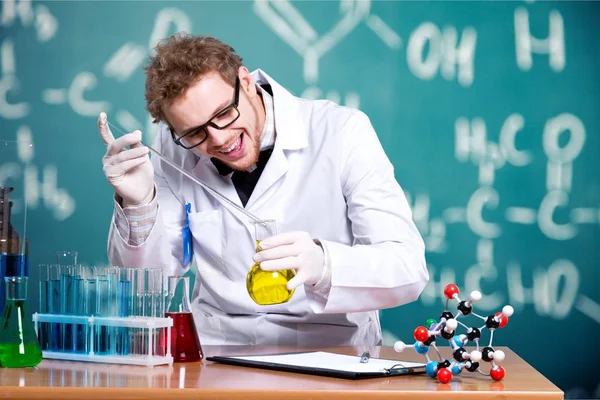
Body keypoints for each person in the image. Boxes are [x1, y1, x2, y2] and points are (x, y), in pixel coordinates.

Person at [98, 33, 429, 346]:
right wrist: (138, 204)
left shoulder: (341, 132)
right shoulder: (173, 151)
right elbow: (148, 282)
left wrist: (324, 264)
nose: (219, 139)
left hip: (330, 350)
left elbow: (407, 268)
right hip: (218, 352)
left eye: (224, 113)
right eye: (196, 132)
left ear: (245, 81)